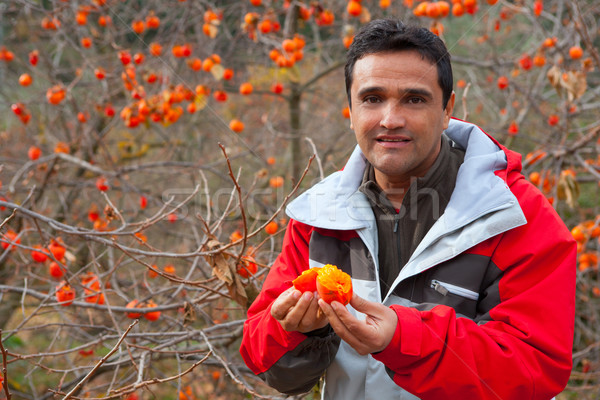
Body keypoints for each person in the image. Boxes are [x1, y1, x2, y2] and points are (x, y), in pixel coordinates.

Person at [240, 19, 576, 400]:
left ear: (447, 108)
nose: (390, 119)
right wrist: (298, 330)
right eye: (372, 98)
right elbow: (261, 357)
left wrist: (403, 339)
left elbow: (534, 371)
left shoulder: (517, 217)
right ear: (350, 110)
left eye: (414, 99)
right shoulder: (319, 214)